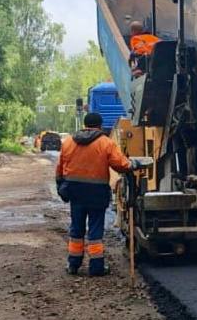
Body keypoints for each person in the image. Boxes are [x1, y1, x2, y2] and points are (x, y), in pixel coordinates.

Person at [55, 112, 144, 276]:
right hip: (96, 193)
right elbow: (120, 164)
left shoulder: (68, 142)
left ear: (84, 124)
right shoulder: (105, 143)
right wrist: (134, 164)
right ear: (100, 126)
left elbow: (60, 168)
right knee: (95, 230)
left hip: (75, 192)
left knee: (76, 228)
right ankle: (96, 267)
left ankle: (73, 265)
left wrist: (60, 186)